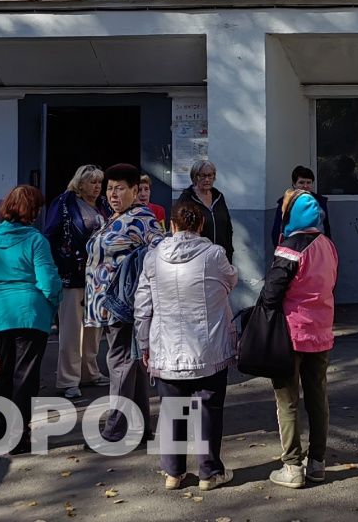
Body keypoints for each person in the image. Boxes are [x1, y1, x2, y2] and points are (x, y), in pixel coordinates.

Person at [134, 200, 237, 491]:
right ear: (201, 224)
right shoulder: (214, 255)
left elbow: (142, 305)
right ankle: (209, 472)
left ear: (172, 225)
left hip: (166, 348)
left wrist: (143, 343)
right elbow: (231, 280)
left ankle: (173, 472)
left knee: (172, 409)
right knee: (209, 409)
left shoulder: (153, 258)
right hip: (209, 347)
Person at [0, 185, 62, 455]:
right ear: (32, 211)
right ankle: (19, 436)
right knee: (26, 376)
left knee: (5, 374)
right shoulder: (36, 240)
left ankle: (0, 429)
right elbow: (48, 280)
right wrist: (54, 303)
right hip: (31, 311)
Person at [264, 190, 339, 489]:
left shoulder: (289, 248)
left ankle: (292, 465)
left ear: (290, 214)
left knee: (287, 400)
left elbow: (271, 294)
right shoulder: (328, 245)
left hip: (291, 335)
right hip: (322, 332)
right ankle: (317, 463)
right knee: (318, 398)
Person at [86, 163, 165, 443]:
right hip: (106, 306)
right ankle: (141, 427)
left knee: (120, 363)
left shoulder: (142, 218)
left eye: (120, 188)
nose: (113, 194)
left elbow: (159, 252)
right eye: (110, 188)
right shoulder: (114, 217)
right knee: (133, 365)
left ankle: (115, 428)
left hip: (124, 305)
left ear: (135, 190)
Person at [42, 164, 111, 399]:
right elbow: (50, 234)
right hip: (72, 274)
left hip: (98, 275)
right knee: (72, 329)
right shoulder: (64, 203)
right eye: (92, 182)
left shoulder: (102, 204)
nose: (97, 187)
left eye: (99, 183)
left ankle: (90, 372)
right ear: (80, 183)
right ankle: (68, 379)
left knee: (94, 327)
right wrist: (65, 259)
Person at [176, 160, 234, 262]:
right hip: (197, 258)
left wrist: (229, 251)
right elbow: (179, 230)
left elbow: (228, 226)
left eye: (210, 175)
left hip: (221, 256)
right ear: (194, 177)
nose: (207, 179)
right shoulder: (187, 199)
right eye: (202, 176)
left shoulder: (219, 197)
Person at [269, 165, 331, 246]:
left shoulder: (320, 201)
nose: (305, 186)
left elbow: (326, 227)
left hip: (316, 248)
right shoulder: (285, 202)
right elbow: (277, 229)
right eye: (301, 182)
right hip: (293, 250)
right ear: (294, 184)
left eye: (308, 182)